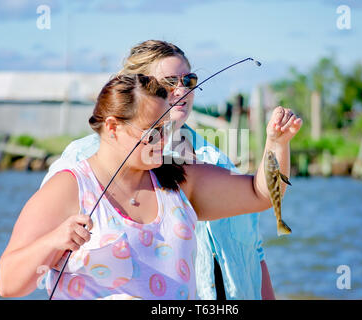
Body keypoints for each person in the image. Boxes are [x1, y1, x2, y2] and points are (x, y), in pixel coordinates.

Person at [0, 73, 302, 299]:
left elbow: (260, 194)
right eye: (152, 130)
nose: (164, 138)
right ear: (113, 127)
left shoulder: (180, 178)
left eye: (167, 128)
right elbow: (8, 284)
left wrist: (277, 144)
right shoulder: (69, 186)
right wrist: (53, 240)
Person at [40, 40, 275, 300]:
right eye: (170, 81)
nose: (181, 90)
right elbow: (43, 252)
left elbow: (255, 254)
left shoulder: (218, 162)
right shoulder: (81, 158)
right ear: (138, 87)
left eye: (189, 80)